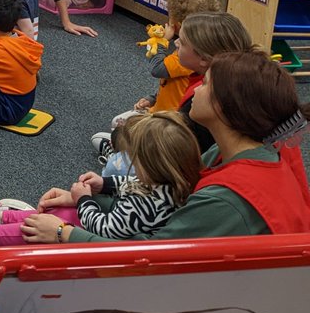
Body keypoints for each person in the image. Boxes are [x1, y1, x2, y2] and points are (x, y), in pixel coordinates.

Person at [22, 49, 310, 243]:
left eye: (205, 84)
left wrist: (64, 234)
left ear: (223, 107)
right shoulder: (234, 152)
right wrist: (92, 198)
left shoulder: (226, 200)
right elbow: (163, 204)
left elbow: (150, 258)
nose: (196, 90)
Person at [0, 112, 202, 253]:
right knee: (63, 210)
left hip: (106, 245)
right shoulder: (165, 184)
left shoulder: (144, 205)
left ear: (152, 166)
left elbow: (105, 228)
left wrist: (83, 200)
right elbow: (131, 183)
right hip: (110, 230)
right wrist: (104, 184)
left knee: (59, 219)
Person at [92, 0, 220, 163]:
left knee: (118, 127)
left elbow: (157, 69)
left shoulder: (186, 59)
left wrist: (160, 42)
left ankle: (125, 159)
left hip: (167, 122)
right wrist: (152, 98)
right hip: (161, 111)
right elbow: (174, 86)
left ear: (178, 24)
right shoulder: (191, 56)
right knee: (118, 124)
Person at [169, 11, 255, 154]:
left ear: (203, 58)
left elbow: (177, 149)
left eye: (182, 42)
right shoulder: (235, 82)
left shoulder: (203, 103)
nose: (175, 42)